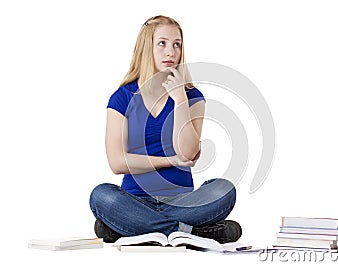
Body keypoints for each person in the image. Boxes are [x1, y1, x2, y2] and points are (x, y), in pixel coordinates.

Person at [89, 15, 241, 243]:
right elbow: (117, 163)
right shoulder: (122, 98)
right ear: (146, 47)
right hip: (134, 200)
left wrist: (180, 99)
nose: (171, 52)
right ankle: (191, 233)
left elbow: (188, 153)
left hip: (182, 202)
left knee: (224, 190)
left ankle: (131, 228)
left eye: (176, 44)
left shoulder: (192, 97)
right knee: (101, 195)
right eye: (162, 43)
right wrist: (171, 160)